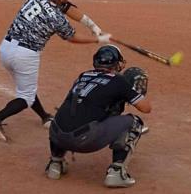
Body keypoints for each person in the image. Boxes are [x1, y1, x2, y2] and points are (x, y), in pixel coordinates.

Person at [0, 0, 111, 142]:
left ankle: (44, 117)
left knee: (26, 87)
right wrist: (97, 39)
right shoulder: (57, 19)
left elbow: (67, 8)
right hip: (25, 54)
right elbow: (72, 37)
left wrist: (93, 26)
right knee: (26, 97)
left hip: (6, 48)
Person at [45, 45, 151, 188]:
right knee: (134, 122)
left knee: (68, 116)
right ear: (117, 63)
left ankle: (55, 163)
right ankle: (116, 173)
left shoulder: (83, 76)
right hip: (85, 139)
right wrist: (132, 92)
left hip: (57, 135)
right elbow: (146, 108)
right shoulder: (119, 81)